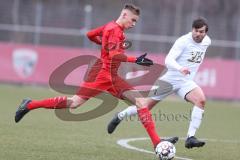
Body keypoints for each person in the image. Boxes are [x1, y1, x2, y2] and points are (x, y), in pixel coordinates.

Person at [14, 4, 177, 151]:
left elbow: (90, 34)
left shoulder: (110, 26)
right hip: (102, 76)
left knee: (141, 103)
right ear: (124, 15)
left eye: (136, 21)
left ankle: (157, 143)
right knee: (74, 103)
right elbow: (114, 55)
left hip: (112, 77)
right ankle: (29, 105)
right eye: (133, 20)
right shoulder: (114, 30)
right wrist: (136, 59)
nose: (133, 24)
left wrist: (104, 44)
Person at [107, 17, 211, 149]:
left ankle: (190, 138)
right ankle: (120, 115)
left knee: (201, 101)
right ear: (192, 30)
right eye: (196, 31)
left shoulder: (207, 41)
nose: (198, 34)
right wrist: (180, 68)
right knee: (145, 106)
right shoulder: (183, 41)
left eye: (201, 32)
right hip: (170, 80)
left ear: (205, 32)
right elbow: (168, 60)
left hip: (186, 82)